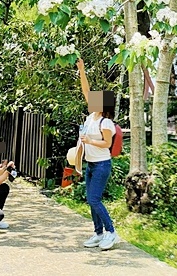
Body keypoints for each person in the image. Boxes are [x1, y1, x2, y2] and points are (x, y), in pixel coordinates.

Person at [76, 57, 119, 251]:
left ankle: (111, 232)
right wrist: (82, 69)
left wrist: (90, 141)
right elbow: (86, 90)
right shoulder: (90, 117)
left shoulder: (106, 123)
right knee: (91, 200)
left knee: (94, 199)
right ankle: (98, 233)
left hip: (102, 164)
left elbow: (107, 143)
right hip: (91, 164)